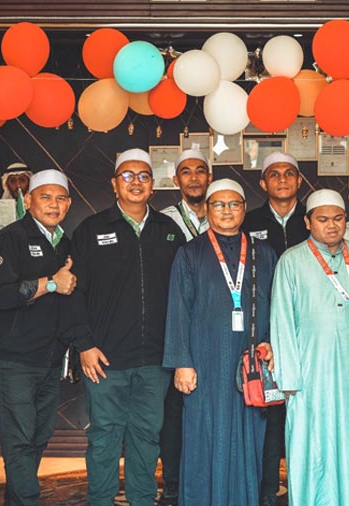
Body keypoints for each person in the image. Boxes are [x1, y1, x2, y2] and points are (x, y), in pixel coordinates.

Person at [71, 148, 185, 506]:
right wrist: (84, 345)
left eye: (143, 177)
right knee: (104, 437)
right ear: (114, 184)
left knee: (146, 437)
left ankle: (141, 500)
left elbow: (183, 297)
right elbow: (73, 293)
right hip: (104, 359)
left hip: (155, 360)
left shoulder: (170, 231)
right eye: (127, 176)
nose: (135, 183)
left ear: (153, 186)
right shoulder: (91, 230)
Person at [271, 189, 349, 506]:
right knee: (310, 443)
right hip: (309, 372)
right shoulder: (292, 260)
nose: (332, 225)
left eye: (338, 218)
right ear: (308, 222)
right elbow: (282, 319)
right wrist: (288, 377)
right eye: (323, 219)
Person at [163, 178, 276, 506]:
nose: (226, 211)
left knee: (248, 436)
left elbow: (276, 304)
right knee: (204, 435)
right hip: (203, 361)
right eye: (218, 205)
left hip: (249, 364)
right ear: (208, 210)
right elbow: (178, 309)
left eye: (234, 204)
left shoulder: (262, 253)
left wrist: (270, 343)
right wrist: (182, 362)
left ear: (244, 209)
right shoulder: (190, 253)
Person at [0, 169, 80, 506]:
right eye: (45, 197)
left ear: (68, 204)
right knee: (20, 440)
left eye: (60, 198)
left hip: (50, 360)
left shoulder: (66, 244)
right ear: (28, 200)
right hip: (13, 359)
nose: (53, 204)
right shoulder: (9, 239)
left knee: (39, 437)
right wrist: (50, 283)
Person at [241, 151, 307, 505]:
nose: (282, 180)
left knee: (305, 413)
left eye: (289, 173)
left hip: (310, 334)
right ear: (263, 183)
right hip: (264, 333)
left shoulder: (313, 220)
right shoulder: (247, 222)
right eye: (274, 175)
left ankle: (305, 487)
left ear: (299, 181)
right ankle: (266, 490)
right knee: (268, 414)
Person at [158, 148, 211, 505]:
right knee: (172, 416)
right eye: (186, 172)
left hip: (214, 330)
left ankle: (208, 478)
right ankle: (175, 484)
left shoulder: (225, 215)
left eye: (200, 171)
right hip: (171, 327)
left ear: (209, 177)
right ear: (176, 180)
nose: (194, 178)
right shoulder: (163, 220)